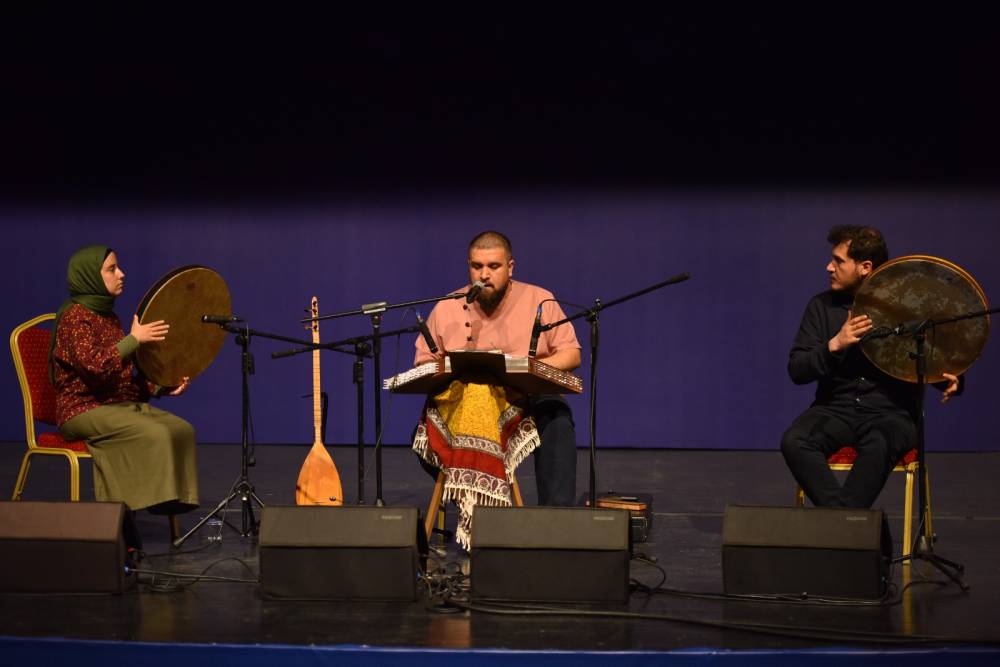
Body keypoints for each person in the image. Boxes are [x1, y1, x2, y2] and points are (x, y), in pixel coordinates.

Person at [780, 226, 962, 509]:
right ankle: (861, 530)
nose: (829, 267)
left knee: (878, 445)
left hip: (891, 415)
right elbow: (797, 370)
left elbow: (932, 363)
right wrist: (835, 344)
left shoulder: (905, 307)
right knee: (795, 441)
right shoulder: (821, 306)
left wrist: (949, 379)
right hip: (834, 409)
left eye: (838, 261)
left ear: (865, 267)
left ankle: (852, 530)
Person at [413, 231, 581, 515]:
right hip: (468, 404)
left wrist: (530, 369)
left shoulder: (540, 299)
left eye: (494, 266)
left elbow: (571, 353)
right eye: (477, 266)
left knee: (558, 422)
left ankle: (555, 521)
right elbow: (424, 362)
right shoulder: (448, 306)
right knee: (423, 436)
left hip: (526, 395)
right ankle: (481, 509)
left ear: (511, 267)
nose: (484, 275)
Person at [50, 245, 199, 549]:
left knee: (181, 429)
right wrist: (134, 340)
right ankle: (125, 523)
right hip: (82, 409)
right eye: (111, 269)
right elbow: (96, 369)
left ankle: (168, 501)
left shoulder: (108, 317)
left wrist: (161, 388)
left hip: (114, 404)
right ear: (90, 276)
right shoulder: (75, 318)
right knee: (153, 432)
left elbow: (122, 378)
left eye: (118, 267)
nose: (121, 274)